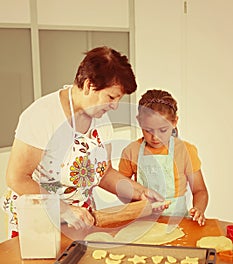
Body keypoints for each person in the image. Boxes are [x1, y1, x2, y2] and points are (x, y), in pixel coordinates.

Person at [1, 47, 166, 239]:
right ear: (89, 85)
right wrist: (62, 209)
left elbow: (104, 173)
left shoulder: (101, 119)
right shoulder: (42, 115)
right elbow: (18, 178)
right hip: (39, 220)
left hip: (81, 218)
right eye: (111, 97)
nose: (114, 106)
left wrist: (140, 192)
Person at [119, 89, 208, 226]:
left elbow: (200, 190)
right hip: (142, 223)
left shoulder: (185, 151)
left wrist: (199, 209)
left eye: (163, 130)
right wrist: (139, 204)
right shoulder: (131, 151)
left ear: (174, 122)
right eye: (148, 130)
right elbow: (121, 188)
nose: (155, 137)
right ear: (139, 122)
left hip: (178, 222)